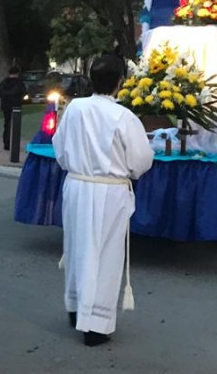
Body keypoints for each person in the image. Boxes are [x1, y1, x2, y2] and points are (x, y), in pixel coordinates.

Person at [53, 54, 154, 347]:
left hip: (76, 185)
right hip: (108, 191)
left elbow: (59, 148)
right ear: (120, 83)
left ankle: (76, 308)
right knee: (104, 255)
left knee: (77, 246)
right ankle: (95, 325)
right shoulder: (124, 117)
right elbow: (141, 160)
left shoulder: (74, 109)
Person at [0, 67, 27, 150]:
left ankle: (6, 142)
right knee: (15, 125)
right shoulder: (19, 83)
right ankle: (14, 143)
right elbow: (24, 93)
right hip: (16, 106)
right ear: (17, 73)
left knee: (7, 124)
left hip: (5, 105)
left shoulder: (3, 83)